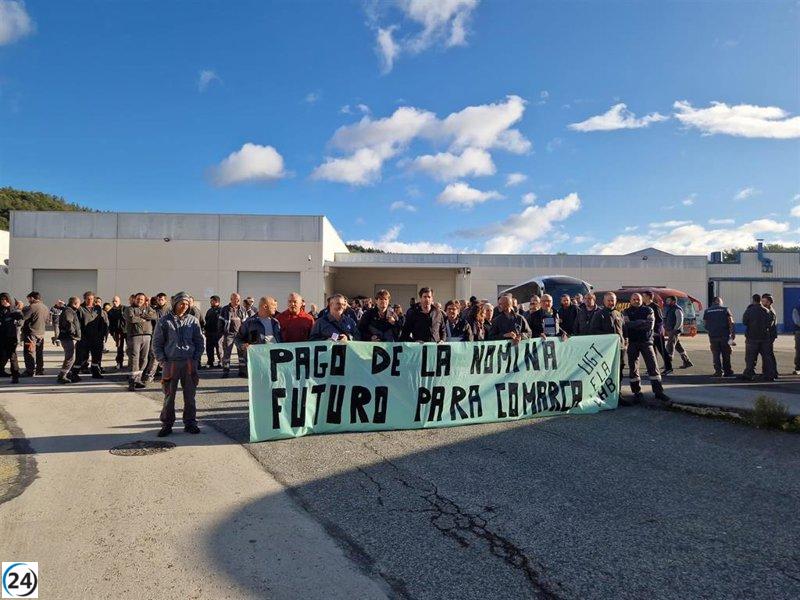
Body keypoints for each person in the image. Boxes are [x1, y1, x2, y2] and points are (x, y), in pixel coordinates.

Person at [152, 291, 204, 437]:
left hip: (189, 363)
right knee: (169, 396)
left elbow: (199, 341)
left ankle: (190, 423)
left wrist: (195, 358)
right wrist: (162, 360)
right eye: (182, 303)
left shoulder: (193, 321)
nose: (184, 306)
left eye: (187, 304)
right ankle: (167, 425)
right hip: (171, 364)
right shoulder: (164, 321)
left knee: (190, 396)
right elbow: (157, 343)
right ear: (175, 304)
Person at [623, 293, 670, 405]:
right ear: (630, 300)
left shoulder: (649, 310)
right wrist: (641, 322)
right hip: (632, 343)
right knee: (633, 369)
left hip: (647, 342)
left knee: (653, 367)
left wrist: (634, 324)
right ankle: (636, 393)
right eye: (634, 299)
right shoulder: (626, 311)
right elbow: (626, 325)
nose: (636, 301)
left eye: (638, 299)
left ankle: (658, 392)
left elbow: (649, 325)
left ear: (641, 300)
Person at [237, 297, 283, 376]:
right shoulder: (250, 322)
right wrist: (242, 345)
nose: (276, 308)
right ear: (265, 307)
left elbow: (280, 339)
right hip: (257, 363)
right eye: (273, 306)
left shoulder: (275, 322)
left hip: (274, 361)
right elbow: (238, 338)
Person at [124, 292, 157, 391]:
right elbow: (131, 318)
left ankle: (138, 380)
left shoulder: (148, 308)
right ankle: (132, 381)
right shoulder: (129, 309)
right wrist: (143, 318)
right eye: (138, 299)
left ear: (144, 300)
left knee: (144, 359)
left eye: (142, 299)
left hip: (147, 336)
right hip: (134, 336)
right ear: (134, 299)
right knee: (134, 359)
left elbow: (154, 316)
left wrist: (141, 315)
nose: (139, 301)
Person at [74, 290, 109, 379]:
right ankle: (74, 374)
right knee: (80, 357)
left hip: (96, 338)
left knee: (96, 357)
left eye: (91, 299)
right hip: (84, 338)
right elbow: (77, 323)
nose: (89, 300)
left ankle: (95, 372)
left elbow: (103, 322)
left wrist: (102, 335)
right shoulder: (80, 309)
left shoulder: (98, 309)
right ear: (84, 299)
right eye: (88, 299)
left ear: (94, 299)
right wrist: (79, 336)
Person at [589, 292, 625, 378]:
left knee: (619, 368)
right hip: (606, 348)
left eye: (612, 300)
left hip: (620, 347)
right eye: (608, 300)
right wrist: (610, 337)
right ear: (604, 301)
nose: (610, 302)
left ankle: (617, 389)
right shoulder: (598, 314)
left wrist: (625, 341)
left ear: (616, 301)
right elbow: (593, 331)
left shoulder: (619, 314)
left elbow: (624, 329)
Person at [741, 295, 774, 381]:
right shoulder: (767, 311)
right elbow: (770, 324)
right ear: (760, 300)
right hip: (764, 337)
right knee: (767, 357)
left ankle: (749, 374)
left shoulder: (749, 310)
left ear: (753, 300)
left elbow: (744, 322)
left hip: (752, 337)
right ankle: (769, 375)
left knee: (750, 358)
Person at [218, 292, 249, 378]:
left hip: (240, 335)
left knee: (242, 354)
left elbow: (246, 322)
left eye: (239, 299)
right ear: (231, 299)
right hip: (229, 334)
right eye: (236, 299)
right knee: (227, 354)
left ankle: (242, 371)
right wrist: (221, 333)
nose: (237, 301)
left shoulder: (242, 309)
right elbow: (220, 322)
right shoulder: (224, 309)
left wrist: (246, 334)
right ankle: (226, 371)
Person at [702, 296, 735, 377]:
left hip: (713, 336)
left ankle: (718, 371)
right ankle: (727, 371)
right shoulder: (725, 309)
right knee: (726, 354)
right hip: (725, 335)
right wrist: (732, 334)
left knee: (716, 354)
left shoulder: (707, 311)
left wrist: (711, 330)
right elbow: (731, 322)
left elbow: (705, 325)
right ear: (718, 301)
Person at [142, 293, 170, 384]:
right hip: (155, 335)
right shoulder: (154, 310)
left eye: (162, 299)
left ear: (165, 300)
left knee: (168, 356)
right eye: (158, 299)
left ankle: (168, 375)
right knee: (154, 356)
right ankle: (149, 376)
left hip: (167, 336)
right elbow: (146, 315)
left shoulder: (169, 310)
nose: (160, 301)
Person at [21, 291, 49, 376]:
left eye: (29, 299)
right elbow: (47, 320)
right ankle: (39, 369)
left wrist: (21, 308)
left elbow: (23, 317)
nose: (28, 300)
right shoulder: (45, 307)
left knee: (29, 352)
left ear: (32, 298)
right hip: (41, 333)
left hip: (31, 333)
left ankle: (30, 370)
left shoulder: (32, 307)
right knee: (39, 352)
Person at [662, 296, 692, 374]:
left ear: (674, 301)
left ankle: (668, 365)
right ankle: (687, 362)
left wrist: (675, 329)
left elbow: (679, 320)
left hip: (674, 331)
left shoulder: (677, 309)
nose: (667, 302)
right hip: (670, 330)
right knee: (678, 346)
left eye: (669, 300)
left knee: (670, 346)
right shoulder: (670, 308)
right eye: (667, 300)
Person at [57, 297, 82, 384]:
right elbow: (68, 322)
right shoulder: (69, 311)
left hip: (68, 337)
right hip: (67, 337)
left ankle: (67, 374)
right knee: (70, 357)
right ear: (75, 304)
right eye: (79, 303)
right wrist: (73, 332)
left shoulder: (69, 310)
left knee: (70, 357)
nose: (80, 305)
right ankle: (62, 375)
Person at [0, 293, 23, 383]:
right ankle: (1, 371)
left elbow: (20, 319)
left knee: (12, 357)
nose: (3, 301)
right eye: (2, 299)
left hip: (11, 337)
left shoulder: (13, 311)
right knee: (2, 356)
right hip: (1, 337)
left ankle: (15, 376)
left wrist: (14, 308)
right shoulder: (1, 310)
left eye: (5, 299)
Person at [642, 291, 666, 369]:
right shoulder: (644, 306)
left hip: (656, 333)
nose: (642, 298)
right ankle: (654, 367)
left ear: (649, 297)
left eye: (644, 296)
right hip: (649, 333)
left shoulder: (655, 306)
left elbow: (660, 320)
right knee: (652, 351)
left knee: (662, 350)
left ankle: (668, 368)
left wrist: (657, 331)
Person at [761, 294, 779, 380]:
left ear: (768, 302)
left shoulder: (770, 311)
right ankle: (768, 371)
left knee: (768, 354)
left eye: (764, 301)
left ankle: (772, 372)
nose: (762, 303)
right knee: (767, 354)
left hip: (770, 336)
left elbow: (768, 325)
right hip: (769, 335)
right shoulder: (767, 310)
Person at [107, 296, 126, 369]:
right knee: (119, 348)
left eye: (116, 301)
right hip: (117, 332)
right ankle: (119, 362)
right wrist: (112, 333)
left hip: (126, 331)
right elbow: (109, 323)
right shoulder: (110, 311)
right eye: (113, 301)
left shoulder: (124, 309)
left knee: (130, 348)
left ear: (119, 301)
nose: (115, 303)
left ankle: (130, 363)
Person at [203, 295, 222, 368]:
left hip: (218, 333)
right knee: (209, 349)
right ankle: (210, 362)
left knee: (219, 348)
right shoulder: (209, 311)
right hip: (209, 333)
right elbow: (206, 320)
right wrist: (205, 330)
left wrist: (221, 331)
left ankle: (221, 361)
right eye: (211, 301)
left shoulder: (221, 310)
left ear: (217, 301)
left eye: (212, 301)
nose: (211, 302)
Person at [792, 295, 800, 376]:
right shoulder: (797, 309)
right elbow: (797, 321)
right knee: (799, 350)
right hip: (799, 332)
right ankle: (798, 368)